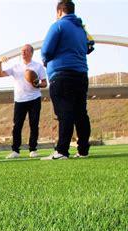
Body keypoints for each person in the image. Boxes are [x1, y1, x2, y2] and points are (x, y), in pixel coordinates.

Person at [41, 0, 91, 160]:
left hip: (62, 74)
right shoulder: (81, 29)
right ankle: (83, 150)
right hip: (81, 74)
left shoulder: (58, 26)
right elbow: (89, 48)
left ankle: (61, 151)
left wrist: (45, 60)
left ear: (59, 11)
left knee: (65, 113)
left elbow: (46, 50)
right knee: (81, 113)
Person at [0, 44, 47, 159]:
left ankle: (33, 149)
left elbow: (45, 83)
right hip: (20, 100)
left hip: (34, 98)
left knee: (34, 125)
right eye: (22, 51)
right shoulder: (16, 66)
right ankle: (15, 150)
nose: (23, 52)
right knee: (17, 126)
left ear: (31, 53)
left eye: (26, 50)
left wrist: (38, 84)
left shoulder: (38, 66)